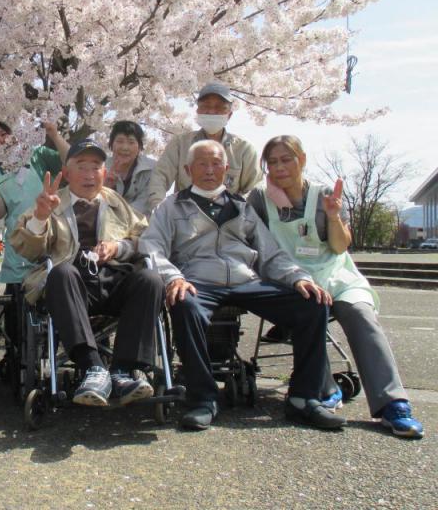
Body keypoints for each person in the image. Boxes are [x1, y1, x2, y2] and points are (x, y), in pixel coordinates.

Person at [139, 140, 345, 431]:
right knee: (183, 304)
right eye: (201, 164)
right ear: (187, 169)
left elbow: (270, 254)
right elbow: (151, 247)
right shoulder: (171, 207)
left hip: (245, 279)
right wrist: (173, 277)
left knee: (311, 303)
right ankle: (202, 399)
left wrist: (299, 277)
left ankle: (304, 397)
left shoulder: (242, 207)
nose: (209, 170)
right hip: (197, 280)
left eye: (216, 164)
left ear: (226, 169)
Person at [246, 135, 423, 438]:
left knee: (361, 314)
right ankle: (324, 388)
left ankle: (392, 403)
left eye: (286, 159)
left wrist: (333, 216)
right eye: (272, 162)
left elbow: (340, 247)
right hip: (293, 281)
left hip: (337, 276)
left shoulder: (324, 195)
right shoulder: (260, 199)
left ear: (302, 159)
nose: (279, 167)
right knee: (307, 310)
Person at [10, 139, 163, 407]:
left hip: (113, 278)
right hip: (71, 285)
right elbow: (27, 249)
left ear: (105, 172)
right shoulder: (51, 201)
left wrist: (118, 247)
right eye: (81, 166)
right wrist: (41, 218)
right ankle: (93, 367)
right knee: (62, 273)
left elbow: (146, 237)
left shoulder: (116, 202)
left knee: (150, 279)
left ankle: (123, 371)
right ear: (67, 173)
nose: (89, 174)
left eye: (96, 167)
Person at [0, 119, 69, 287]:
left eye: (4, 134)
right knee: (18, 299)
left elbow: (70, 161)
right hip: (18, 249)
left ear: (14, 136)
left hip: (50, 239)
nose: (1, 140)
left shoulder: (38, 155)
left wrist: (54, 135)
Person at [146, 81, 261, 212]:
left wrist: (237, 212)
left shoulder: (244, 149)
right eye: (206, 106)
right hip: (184, 216)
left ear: (229, 115)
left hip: (230, 218)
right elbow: (160, 177)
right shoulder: (180, 143)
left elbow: (255, 189)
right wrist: (159, 209)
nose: (211, 111)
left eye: (219, 107)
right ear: (198, 111)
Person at [104, 120, 156, 217]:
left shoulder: (152, 168)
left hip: (139, 223)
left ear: (139, 147)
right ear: (111, 144)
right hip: (104, 221)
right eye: (120, 141)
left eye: (131, 142)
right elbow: (94, 202)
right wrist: (105, 187)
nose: (125, 147)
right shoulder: (101, 167)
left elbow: (144, 205)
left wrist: (118, 217)